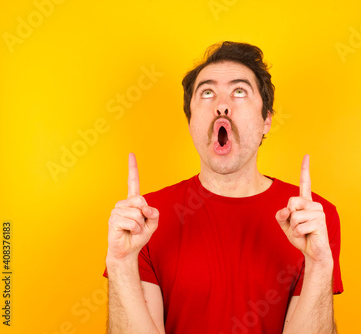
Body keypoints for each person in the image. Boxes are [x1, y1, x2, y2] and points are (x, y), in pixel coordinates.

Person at [103, 41, 343, 334]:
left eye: (239, 91)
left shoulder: (313, 219)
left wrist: (319, 266)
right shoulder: (144, 219)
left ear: (266, 120)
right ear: (191, 122)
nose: (222, 104)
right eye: (207, 92)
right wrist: (120, 265)